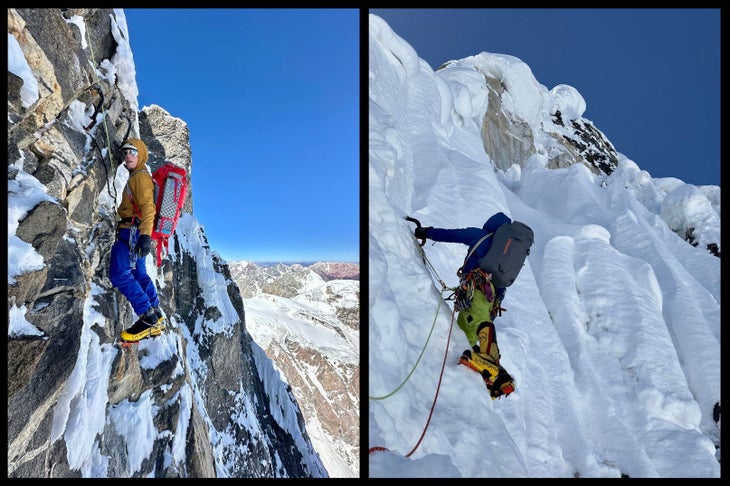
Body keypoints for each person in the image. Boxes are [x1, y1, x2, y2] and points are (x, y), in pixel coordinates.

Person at [414, 212, 516, 399]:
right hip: (488, 296)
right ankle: (480, 374)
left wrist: (425, 232)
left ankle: (491, 366)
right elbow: (501, 289)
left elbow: (452, 234)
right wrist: (492, 309)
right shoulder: (506, 257)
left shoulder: (480, 235)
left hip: (474, 290)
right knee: (465, 335)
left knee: (477, 324)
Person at [110, 138, 165, 342]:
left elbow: (148, 208)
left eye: (132, 151)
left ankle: (147, 316)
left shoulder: (140, 177)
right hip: (137, 231)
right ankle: (156, 317)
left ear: (141, 153)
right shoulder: (140, 175)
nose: (128, 156)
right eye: (125, 152)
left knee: (119, 274)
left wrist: (144, 236)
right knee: (139, 274)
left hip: (132, 232)